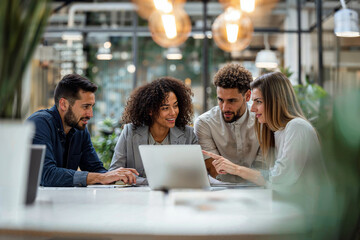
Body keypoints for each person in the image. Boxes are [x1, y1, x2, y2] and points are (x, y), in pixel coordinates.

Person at [203, 71, 328, 195]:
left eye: (258, 101)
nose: (252, 108)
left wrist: (235, 169)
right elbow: (271, 181)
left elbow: (281, 178)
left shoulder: (297, 127)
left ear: (276, 101)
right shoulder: (277, 131)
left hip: (313, 211)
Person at [27, 74, 138, 187]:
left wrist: (118, 177)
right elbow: (46, 175)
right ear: (63, 104)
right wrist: (102, 177)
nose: (90, 114)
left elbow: (95, 169)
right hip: (33, 201)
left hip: (63, 200)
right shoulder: (39, 123)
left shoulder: (80, 130)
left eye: (92, 107)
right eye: (85, 107)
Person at [109, 77, 198, 178]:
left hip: (175, 193)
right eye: (165, 108)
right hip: (136, 194)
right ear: (150, 110)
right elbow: (114, 172)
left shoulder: (188, 134)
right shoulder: (130, 132)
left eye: (175, 106)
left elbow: (195, 175)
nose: (173, 112)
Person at [194, 63, 263, 183]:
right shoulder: (204, 123)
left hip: (258, 189)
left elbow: (263, 170)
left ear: (247, 96)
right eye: (220, 100)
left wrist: (237, 170)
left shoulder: (262, 120)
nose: (225, 107)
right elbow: (215, 170)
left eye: (232, 101)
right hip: (221, 189)